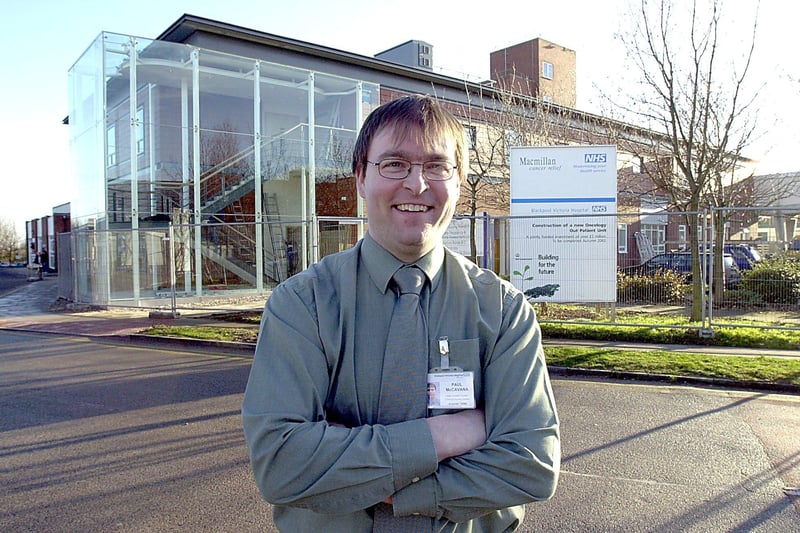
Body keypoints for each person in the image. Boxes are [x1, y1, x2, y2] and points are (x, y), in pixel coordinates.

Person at [242, 95, 560, 532]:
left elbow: (531, 464)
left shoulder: (503, 312)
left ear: (459, 181)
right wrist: (444, 437)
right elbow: (282, 464)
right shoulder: (302, 305)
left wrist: (395, 489)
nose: (416, 183)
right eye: (394, 164)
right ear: (360, 177)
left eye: (436, 165)